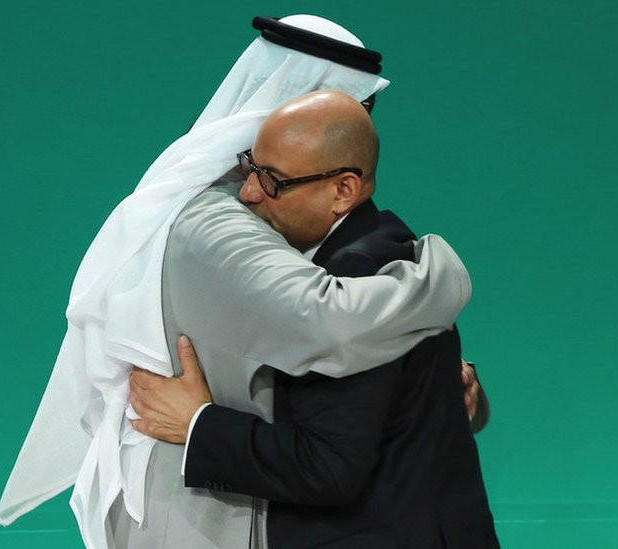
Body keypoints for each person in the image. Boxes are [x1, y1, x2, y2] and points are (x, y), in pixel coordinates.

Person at [0, 15, 476, 549]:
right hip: (195, 510)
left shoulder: (281, 220)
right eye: (354, 104)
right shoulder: (217, 221)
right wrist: (441, 278)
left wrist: (432, 381)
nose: (253, 190)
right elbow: (328, 320)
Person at [131, 91, 499, 548]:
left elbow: (327, 469)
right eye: (251, 167)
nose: (248, 193)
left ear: (342, 190)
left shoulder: (354, 274)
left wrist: (197, 424)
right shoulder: (382, 244)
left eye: (273, 181)